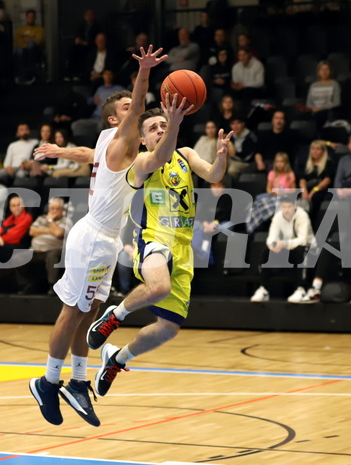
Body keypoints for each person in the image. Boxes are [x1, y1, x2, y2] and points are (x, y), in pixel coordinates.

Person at [29, 45, 167, 428]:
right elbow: (139, 103)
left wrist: (59, 150)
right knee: (73, 312)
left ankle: (76, 381)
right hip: (93, 238)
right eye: (125, 110)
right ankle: (48, 381)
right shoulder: (121, 138)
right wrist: (143, 73)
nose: (133, 112)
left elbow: (86, 153)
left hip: (103, 241)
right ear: (114, 119)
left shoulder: (108, 143)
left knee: (89, 313)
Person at [86, 98, 233, 399]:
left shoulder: (186, 154)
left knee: (168, 329)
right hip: (153, 238)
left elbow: (215, 175)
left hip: (183, 247)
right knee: (159, 287)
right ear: (142, 139)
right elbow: (159, 156)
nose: (160, 130)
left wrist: (221, 156)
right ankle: (116, 314)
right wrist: (175, 123)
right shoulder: (140, 162)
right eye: (153, 128)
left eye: (163, 126)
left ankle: (117, 359)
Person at [250, 195, 315, 302]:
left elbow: (303, 240)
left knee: (299, 250)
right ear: (280, 207)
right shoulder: (278, 216)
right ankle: (263, 289)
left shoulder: (302, 215)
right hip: (288, 248)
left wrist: (284, 244)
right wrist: (274, 245)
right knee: (267, 252)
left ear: (294, 206)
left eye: (289, 207)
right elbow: (270, 238)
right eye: (284, 207)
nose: (286, 210)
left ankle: (300, 288)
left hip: (309, 249)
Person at [16, 197, 72, 295]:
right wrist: (50, 231)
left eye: (57, 209)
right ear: (48, 209)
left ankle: (53, 286)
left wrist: (50, 221)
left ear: (62, 210)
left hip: (55, 249)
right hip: (36, 250)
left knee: (52, 256)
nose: (54, 211)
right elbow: (32, 231)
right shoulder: (41, 219)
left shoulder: (66, 221)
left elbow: (59, 233)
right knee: (17, 258)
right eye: (52, 208)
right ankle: (27, 285)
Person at [298, 140, 336, 218]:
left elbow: (327, 180)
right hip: (308, 188)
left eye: (318, 149)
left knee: (315, 197)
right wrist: (304, 191)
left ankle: (312, 222)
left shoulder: (328, 163)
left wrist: (313, 192)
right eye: (313, 149)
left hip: (321, 189)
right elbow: (302, 179)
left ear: (323, 151)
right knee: (297, 196)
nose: (315, 151)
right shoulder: (306, 163)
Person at [304, 60, 341, 128]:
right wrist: (313, 109)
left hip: (328, 111)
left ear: (330, 71)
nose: (324, 72)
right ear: (318, 72)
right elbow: (309, 103)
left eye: (327, 69)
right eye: (322, 70)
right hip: (314, 111)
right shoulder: (313, 85)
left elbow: (337, 103)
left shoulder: (334, 84)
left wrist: (321, 108)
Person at [13, 9, 45, 84]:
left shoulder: (39, 29)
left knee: (31, 43)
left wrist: (26, 38)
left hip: (34, 50)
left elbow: (39, 40)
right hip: (22, 49)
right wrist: (31, 38)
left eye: (33, 17)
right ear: (26, 18)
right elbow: (17, 42)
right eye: (29, 17)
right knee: (19, 51)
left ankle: (30, 70)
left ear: (35, 18)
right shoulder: (19, 30)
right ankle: (22, 73)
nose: (31, 19)